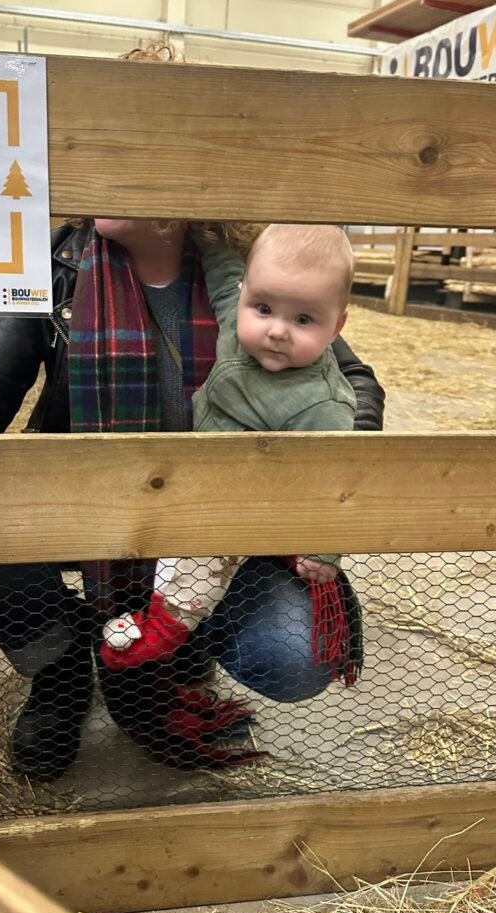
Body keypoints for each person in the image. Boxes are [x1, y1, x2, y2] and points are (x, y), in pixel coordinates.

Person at [0, 213, 382, 778]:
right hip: (88, 505)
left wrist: (309, 465)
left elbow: (352, 381)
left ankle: (180, 640)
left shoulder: (249, 268)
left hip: (217, 522)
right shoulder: (56, 263)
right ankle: (60, 664)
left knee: (293, 656)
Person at [100, 223, 356, 671]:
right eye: (264, 308)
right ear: (244, 297)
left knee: (204, 554)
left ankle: (170, 622)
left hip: (247, 500)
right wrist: (208, 231)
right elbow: (223, 275)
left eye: (303, 320)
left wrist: (324, 551)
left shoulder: (322, 403)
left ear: (337, 326)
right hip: (199, 476)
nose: (277, 330)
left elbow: (333, 482)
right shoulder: (237, 327)